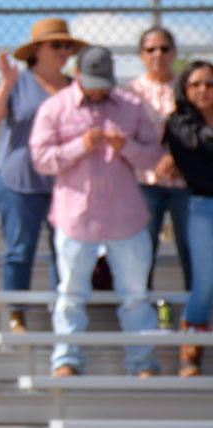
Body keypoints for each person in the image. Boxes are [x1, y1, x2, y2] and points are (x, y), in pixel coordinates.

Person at [29, 46, 166, 378]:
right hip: (75, 217)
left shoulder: (132, 106)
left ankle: (142, 363)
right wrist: (80, 146)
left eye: (103, 82)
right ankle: (67, 359)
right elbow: (41, 160)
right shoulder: (55, 108)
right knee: (71, 293)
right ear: (76, 75)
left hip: (126, 218)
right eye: (92, 82)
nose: (98, 90)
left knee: (136, 294)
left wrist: (127, 148)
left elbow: (153, 158)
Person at [0, 17, 82, 328]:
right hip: (19, 181)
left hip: (62, 181)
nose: (64, 51)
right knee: (20, 250)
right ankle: (17, 314)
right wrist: (7, 84)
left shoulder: (74, 85)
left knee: (63, 253)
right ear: (37, 49)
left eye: (68, 45)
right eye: (56, 44)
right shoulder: (20, 82)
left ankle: (61, 316)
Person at [130, 26, 192, 290]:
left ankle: (198, 316)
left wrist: (177, 159)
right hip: (145, 181)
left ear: (174, 52)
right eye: (150, 49)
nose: (158, 54)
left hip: (185, 181)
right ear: (141, 55)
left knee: (192, 248)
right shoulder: (131, 92)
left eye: (164, 48)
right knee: (144, 250)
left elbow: (198, 129)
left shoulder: (189, 87)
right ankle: (144, 315)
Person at [163, 60, 213, 376]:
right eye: (195, 84)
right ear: (185, 89)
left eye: (209, 84)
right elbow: (197, 159)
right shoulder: (178, 123)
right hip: (203, 205)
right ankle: (191, 348)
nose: (203, 90)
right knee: (204, 279)